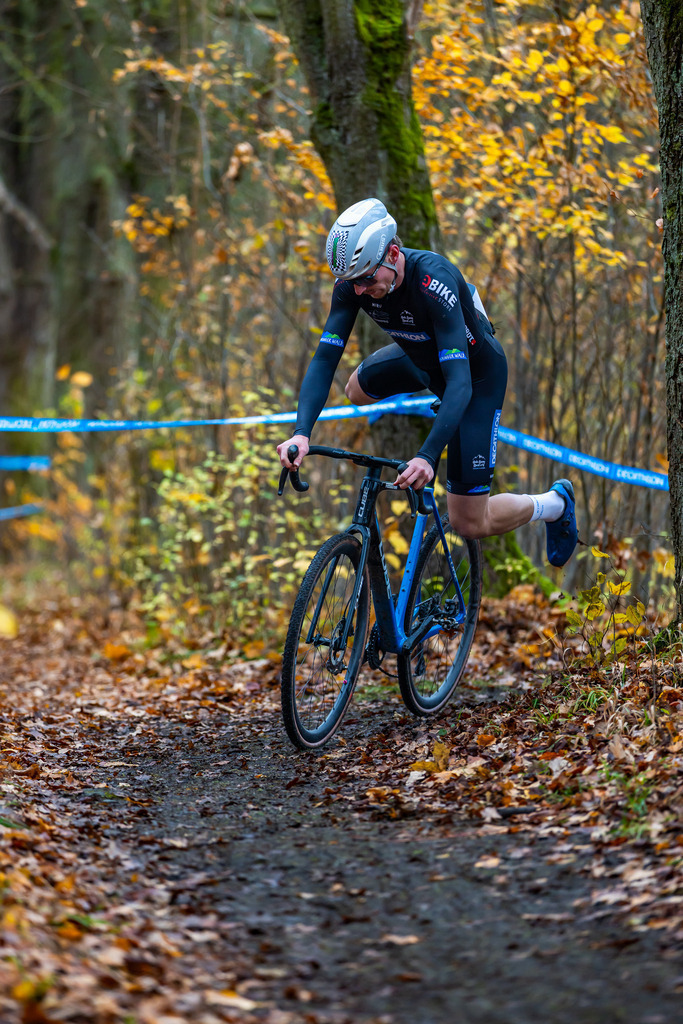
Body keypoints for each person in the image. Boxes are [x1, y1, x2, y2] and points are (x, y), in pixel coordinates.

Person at [277, 198, 577, 567]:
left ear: (393, 254)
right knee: (354, 390)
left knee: (469, 523)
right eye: (351, 283)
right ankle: (439, 409)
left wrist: (427, 456)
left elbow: (460, 383)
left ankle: (554, 504)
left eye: (366, 279)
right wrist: (301, 433)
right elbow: (325, 359)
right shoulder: (355, 284)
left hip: (475, 378)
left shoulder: (433, 280)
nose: (358, 291)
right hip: (419, 357)